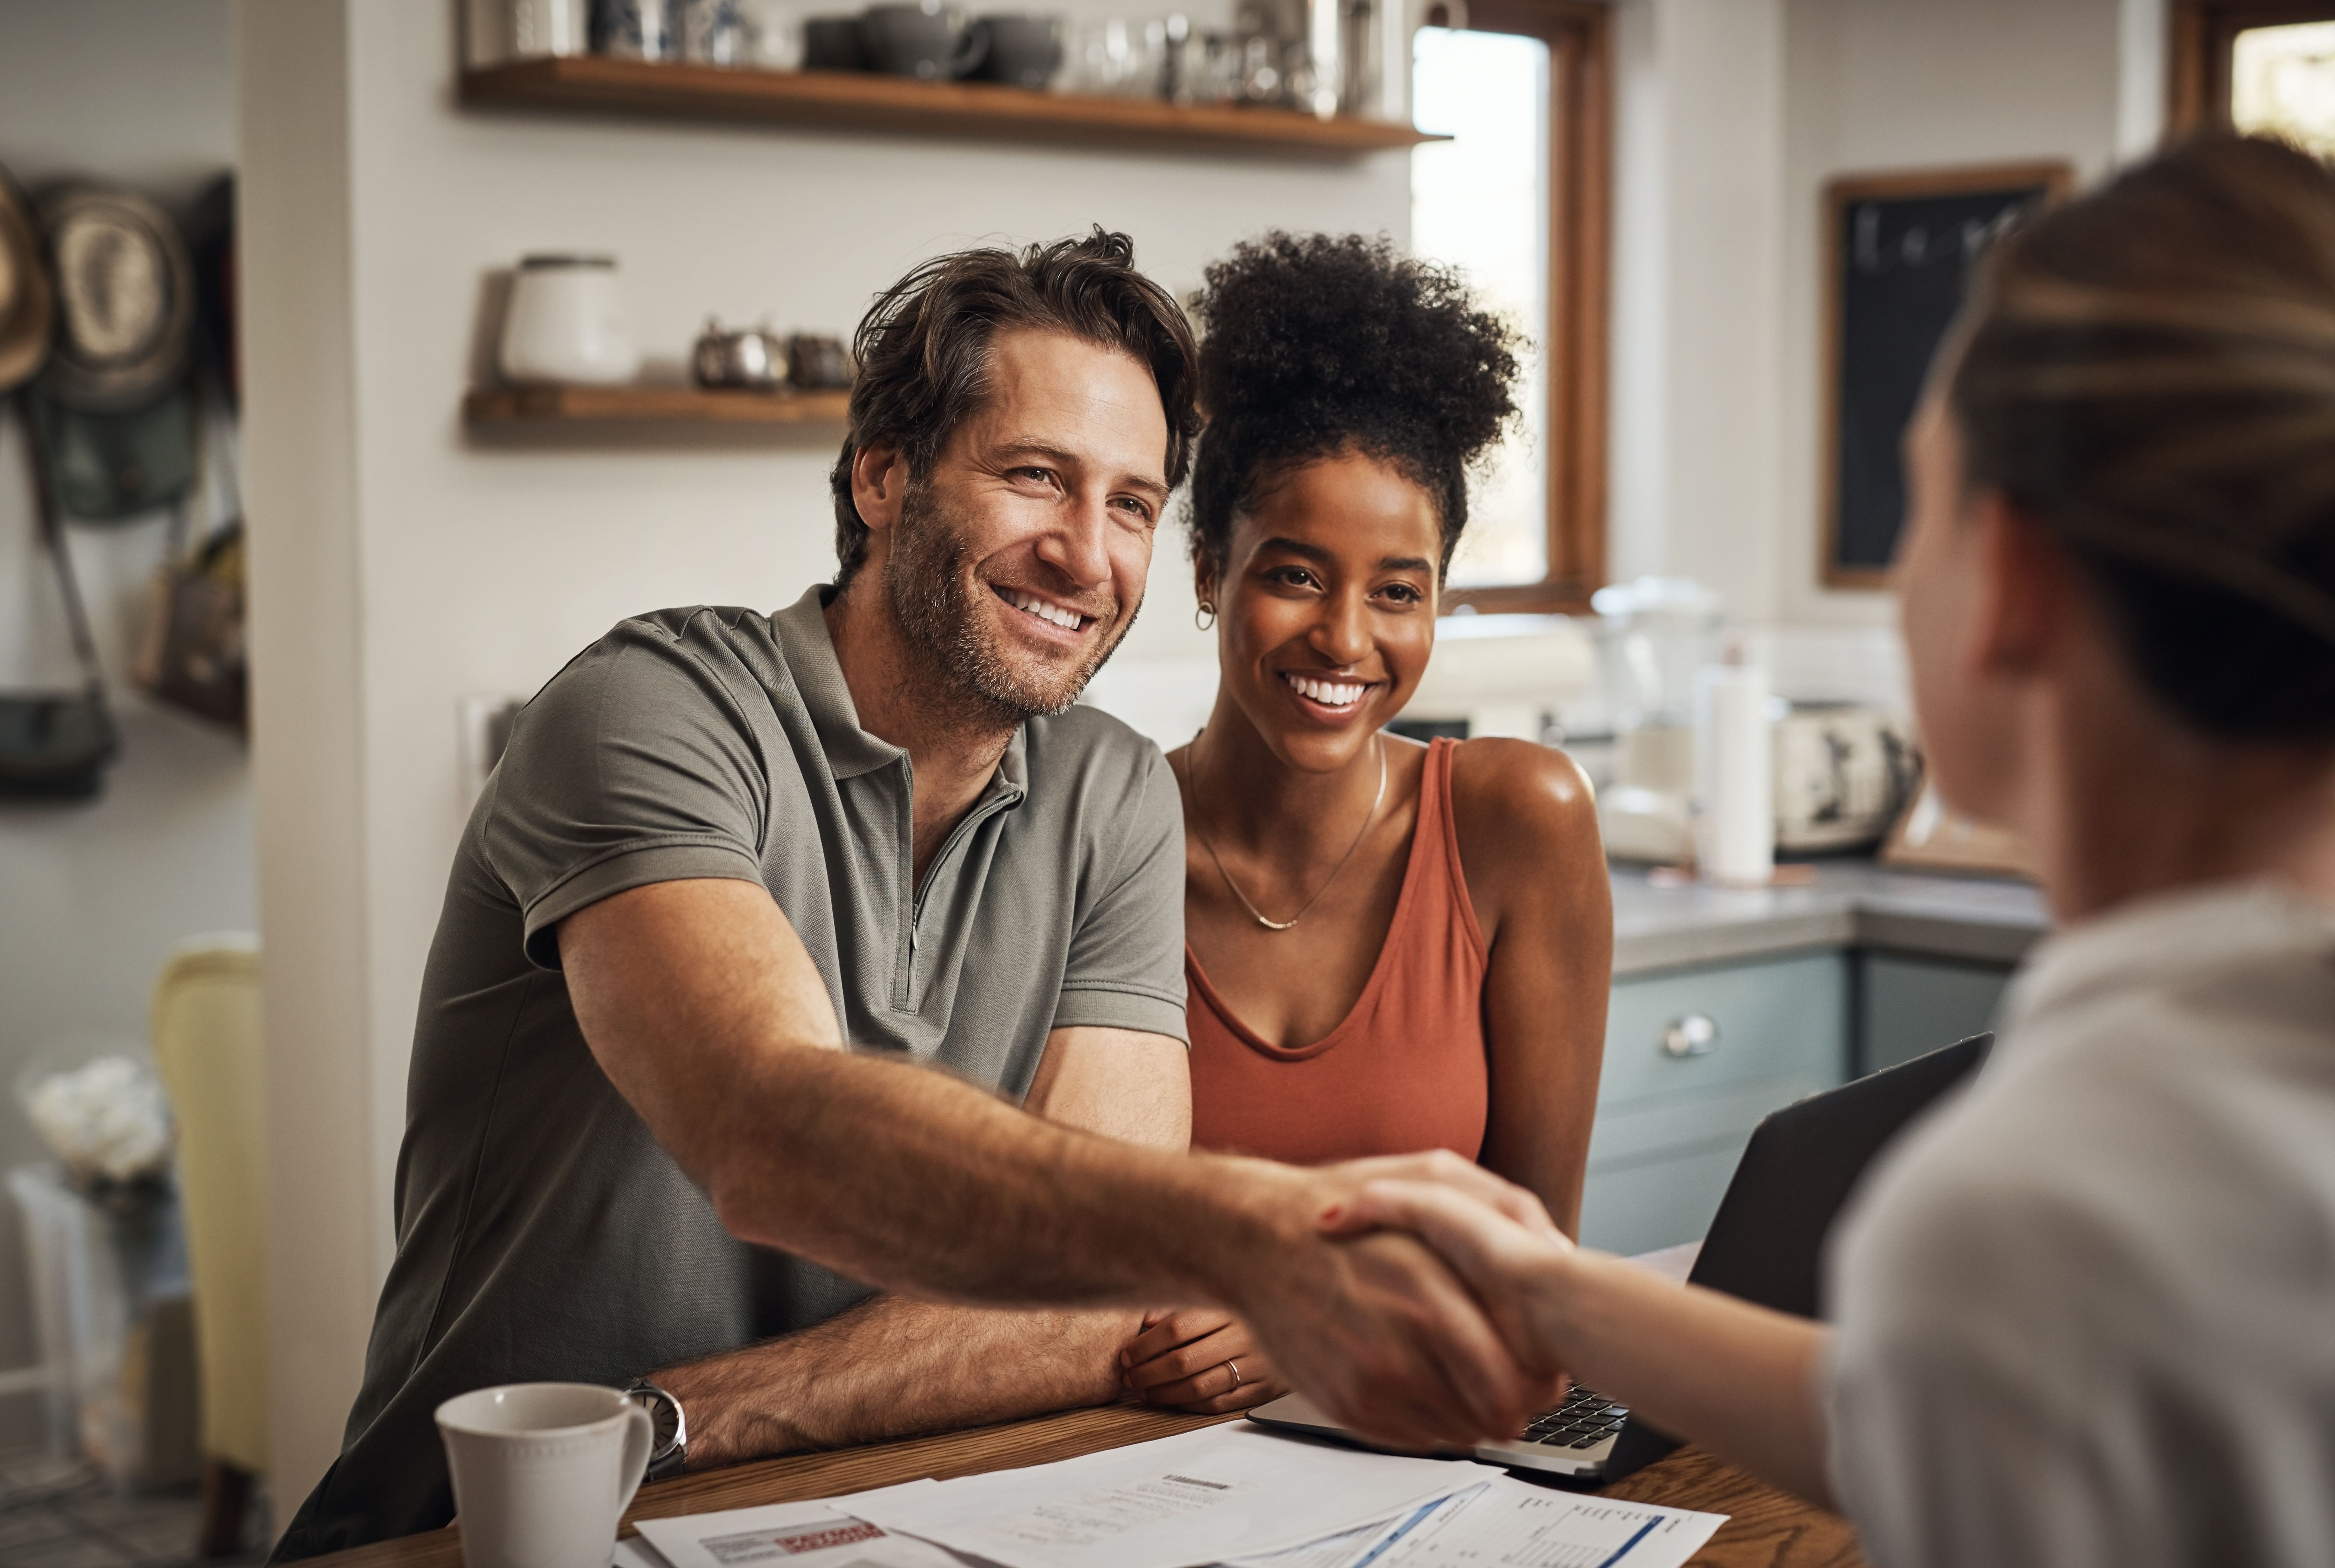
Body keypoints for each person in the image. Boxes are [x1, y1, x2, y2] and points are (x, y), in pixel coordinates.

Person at [274, 232, 1553, 1559]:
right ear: (883, 476)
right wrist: (1249, 1231)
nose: (1084, 554)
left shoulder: (1110, 795)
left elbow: (1098, 1290)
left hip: (854, 1513)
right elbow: (769, 1132)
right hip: (483, 1530)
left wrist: (685, 1413)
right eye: (1034, 479)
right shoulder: (645, 714)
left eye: (1129, 503)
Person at [1327, 135, 2335, 1568]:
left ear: (2016, 587)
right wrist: (1550, 1294)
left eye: (1919, 503)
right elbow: (1936, 1405)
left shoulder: (2039, 1212)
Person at [1119, 235, 1612, 1416]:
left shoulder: (1516, 823)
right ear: (1205, 569)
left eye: (1398, 591)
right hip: (1135, 1458)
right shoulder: (1103, 838)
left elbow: (1535, 1278)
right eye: (1294, 575)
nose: (1346, 640)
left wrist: (1298, 1323)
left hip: (1438, 1449)